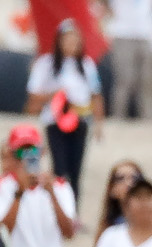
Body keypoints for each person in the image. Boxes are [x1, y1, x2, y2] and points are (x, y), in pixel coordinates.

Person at [26, 21, 106, 186]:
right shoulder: (46, 64)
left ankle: (73, 208)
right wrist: (54, 95)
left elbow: (96, 95)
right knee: (60, 169)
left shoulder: (86, 64)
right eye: (67, 39)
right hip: (54, 121)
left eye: (74, 40)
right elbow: (33, 95)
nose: (71, 44)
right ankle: (59, 205)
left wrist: (98, 124)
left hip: (80, 120)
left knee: (76, 170)